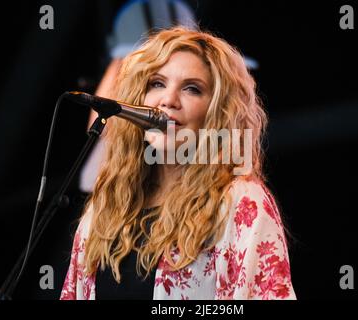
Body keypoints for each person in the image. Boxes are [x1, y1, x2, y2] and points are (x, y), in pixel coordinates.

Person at [60, 26, 296, 300]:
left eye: (192, 89)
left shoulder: (241, 201)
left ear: (217, 113)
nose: (168, 100)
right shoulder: (107, 204)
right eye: (157, 83)